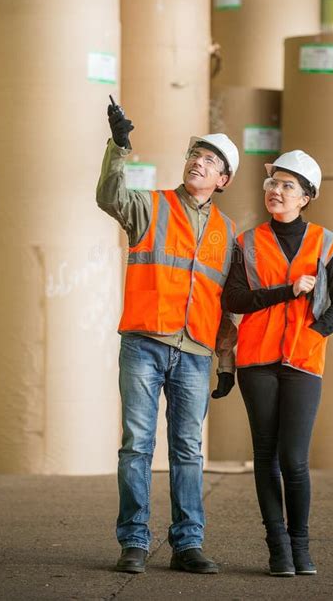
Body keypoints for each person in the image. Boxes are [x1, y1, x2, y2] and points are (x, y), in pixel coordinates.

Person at [96, 97, 239, 575]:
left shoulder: (227, 232)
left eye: (212, 161)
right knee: (137, 443)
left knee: (187, 450)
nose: (200, 161)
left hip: (196, 353)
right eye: (196, 154)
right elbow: (109, 198)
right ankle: (133, 541)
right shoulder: (150, 206)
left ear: (223, 180)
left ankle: (187, 544)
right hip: (144, 342)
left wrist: (226, 360)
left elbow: (224, 303)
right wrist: (120, 148)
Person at [213, 150, 333, 577]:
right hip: (256, 361)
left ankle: (301, 547)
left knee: (294, 458)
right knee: (266, 456)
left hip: (304, 363)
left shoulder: (326, 243)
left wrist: (313, 333)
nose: (276, 191)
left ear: (306, 196)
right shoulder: (247, 243)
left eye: (287, 185)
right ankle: (277, 548)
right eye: (273, 184)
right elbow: (234, 299)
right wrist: (286, 292)